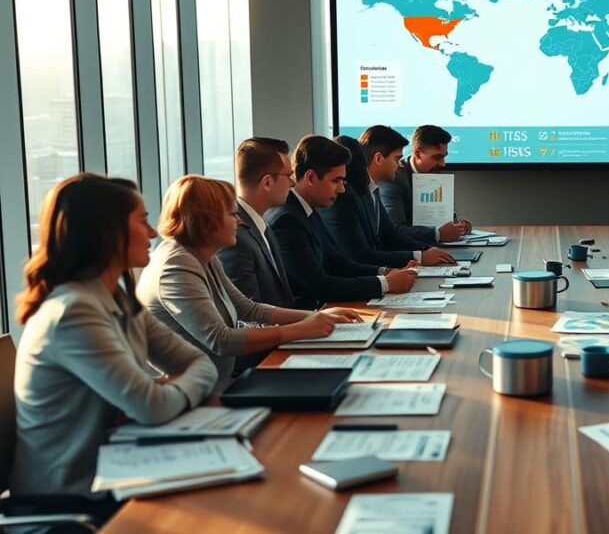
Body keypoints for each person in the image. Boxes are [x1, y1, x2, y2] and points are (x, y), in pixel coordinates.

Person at [11, 174, 217, 507]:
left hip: (117, 471)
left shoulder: (117, 298)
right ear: (107, 233)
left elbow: (201, 363)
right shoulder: (72, 313)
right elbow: (151, 406)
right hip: (72, 500)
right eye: (142, 221)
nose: (153, 232)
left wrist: (165, 393)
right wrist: (161, 394)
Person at [138, 175, 362, 386]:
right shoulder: (176, 265)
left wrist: (317, 316)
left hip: (215, 384)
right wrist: (300, 330)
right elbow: (220, 340)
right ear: (207, 220)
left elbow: (249, 309)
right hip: (194, 393)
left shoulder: (201, 255)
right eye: (232, 214)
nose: (239, 221)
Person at [266, 135, 418, 310]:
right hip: (306, 322)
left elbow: (338, 263)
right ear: (310, 178)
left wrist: (384, 272)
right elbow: (320, 286)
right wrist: (385, 284)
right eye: (336, 181)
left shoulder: (307, 210)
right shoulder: (287, 221)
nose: (342, 189)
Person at [322, 128, 457, 268]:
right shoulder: (347, 197)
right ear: (379, 159)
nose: (400, 165)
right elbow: (360, 256)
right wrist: (419, 256)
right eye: (397, 158)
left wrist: (425, 250)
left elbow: (389, 233)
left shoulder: (372, 189)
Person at [218, 137, 296, 306]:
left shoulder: (260, 224)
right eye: (289, 175)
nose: (293, 182)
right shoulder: (234, 235)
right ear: (267, 182)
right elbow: (248, 318)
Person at [378, 124, 471, 244]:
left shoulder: (436, 174)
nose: (442, 164)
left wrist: (459, 225)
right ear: (417, 154)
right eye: (437, 157)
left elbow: (441, 218)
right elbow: (395, 229)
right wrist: (437, 234)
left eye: (444, 157)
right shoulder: (394, 177)